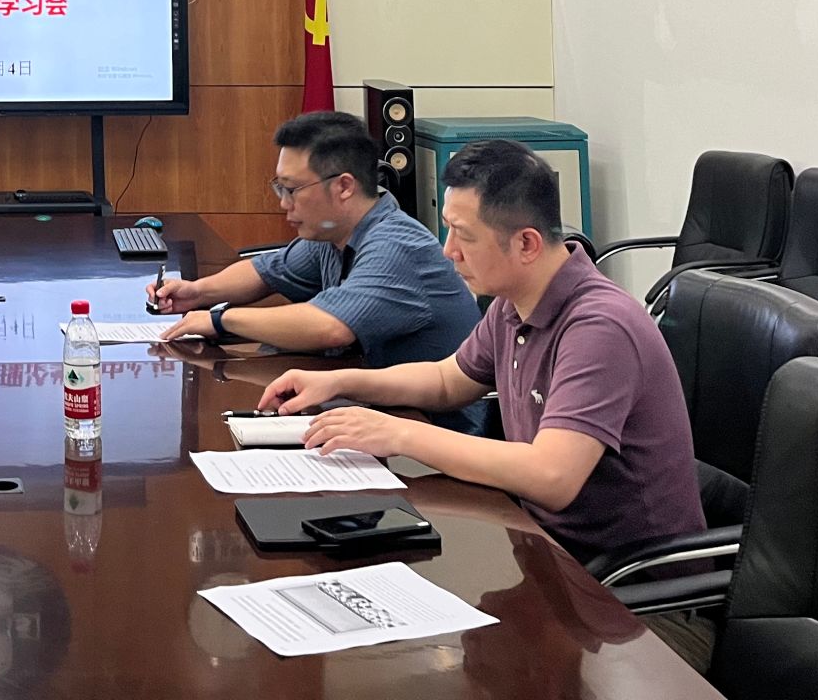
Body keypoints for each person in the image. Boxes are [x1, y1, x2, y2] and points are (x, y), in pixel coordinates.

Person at [260, 139, 705, 564]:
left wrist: (400, 434)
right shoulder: (514, 302)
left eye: (464, 236)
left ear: (526, 243)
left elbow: (552, 476)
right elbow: (447, 380)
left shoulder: (599, 326)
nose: (448, 251)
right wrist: (339, 382)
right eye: (448, 229)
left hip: (627, 584)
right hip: (542, 545)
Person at [148, 111, 486, 431]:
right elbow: (265, 271)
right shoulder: (333, 233)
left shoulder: (396, 245)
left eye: (292, 189)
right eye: (279, 188)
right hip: (377, 411)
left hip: (437, 432)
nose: (284, 203)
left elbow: (329, 328)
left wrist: (220, 320)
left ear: (343, 187)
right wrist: (197, 292)